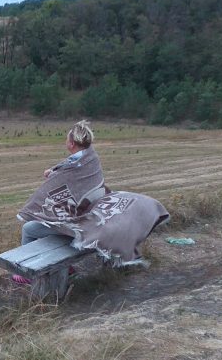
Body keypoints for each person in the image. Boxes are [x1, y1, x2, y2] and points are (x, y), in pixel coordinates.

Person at [13, 120, 169, 284]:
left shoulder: (72, 167)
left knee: (30, 229)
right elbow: (67, 169)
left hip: (80, 223)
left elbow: (56, 185)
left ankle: (26, 274)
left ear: (71, 143)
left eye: (67, 139)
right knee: (49, 226)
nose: (66, 142)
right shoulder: (90, 157)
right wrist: (54, 171)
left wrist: (53, 176)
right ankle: (67, 268)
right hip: (93, 214)